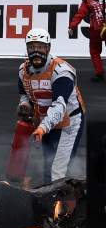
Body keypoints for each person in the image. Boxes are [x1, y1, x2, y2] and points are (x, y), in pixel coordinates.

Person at [17, 29, 85, 182]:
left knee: (58, 172)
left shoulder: (62, 71)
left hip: (69, 123)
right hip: (45, 122)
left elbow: (60, 106)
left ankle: (68, 203)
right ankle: (52, 203)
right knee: (48, 165)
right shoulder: (23, 71)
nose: (36, 52)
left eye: (40, 47)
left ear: (48, 48)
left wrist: (42, 128)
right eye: (32, 47)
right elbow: (24, 94)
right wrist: (24, 105)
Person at [68, 0, 105, 82]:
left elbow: (80, 15)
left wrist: (72, 26)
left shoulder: (87, 0)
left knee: (94, 51)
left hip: (96, 29)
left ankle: (99, 73)